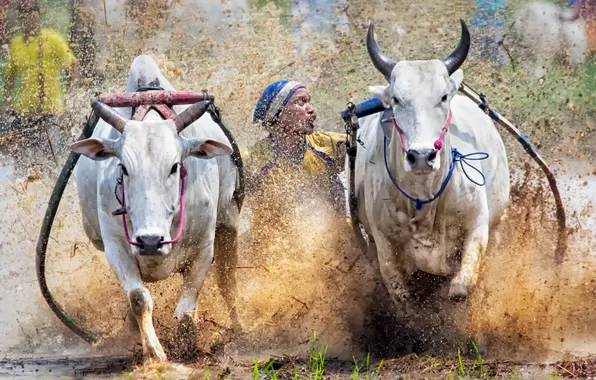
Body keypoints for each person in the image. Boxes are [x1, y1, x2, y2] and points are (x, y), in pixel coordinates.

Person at [243, 80, 347, 212]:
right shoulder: (255, 159)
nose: (311, 109)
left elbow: (370, 146)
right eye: (301, 102)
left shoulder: (327, 144)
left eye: (309, 101)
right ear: (278, 113)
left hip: (337, 231)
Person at [3, 0, 77, 156]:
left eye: (34, 16)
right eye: (26, 16)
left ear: (39, 17)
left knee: (53, 155)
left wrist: (73, 95)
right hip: (24, 112)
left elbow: (73, 65)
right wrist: (8, 103)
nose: (30, 20)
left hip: (51, 111)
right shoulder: (16, 44)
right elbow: (10, 77)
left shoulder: (52, 39)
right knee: (22, 157)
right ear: (21, 19)